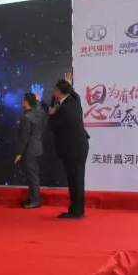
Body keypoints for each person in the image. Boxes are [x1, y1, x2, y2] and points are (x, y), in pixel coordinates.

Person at [48, 74, 90, 219]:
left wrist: (52, 113)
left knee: (75, 180)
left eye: (55, 90)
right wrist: (68, 84)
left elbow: (51, 125)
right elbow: (74, 93)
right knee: (77, 179)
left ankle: (77, 211)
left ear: (59, 92)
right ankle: (76, 209)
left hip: (73, 149)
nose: (53, 92)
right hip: (79, 146)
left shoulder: (64, 109)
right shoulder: (75, 100)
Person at [14, 93, 45, 209]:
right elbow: (39, 109)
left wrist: (19, 153)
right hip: (37, 148)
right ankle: (33, 198)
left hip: (29, 150)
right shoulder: (39, 113)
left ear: (26, 102)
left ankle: (35, 200)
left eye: (23, 100)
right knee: (32, 175)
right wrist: (37, 101)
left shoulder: (26, 118)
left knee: (32, 176)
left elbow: (24, 138)